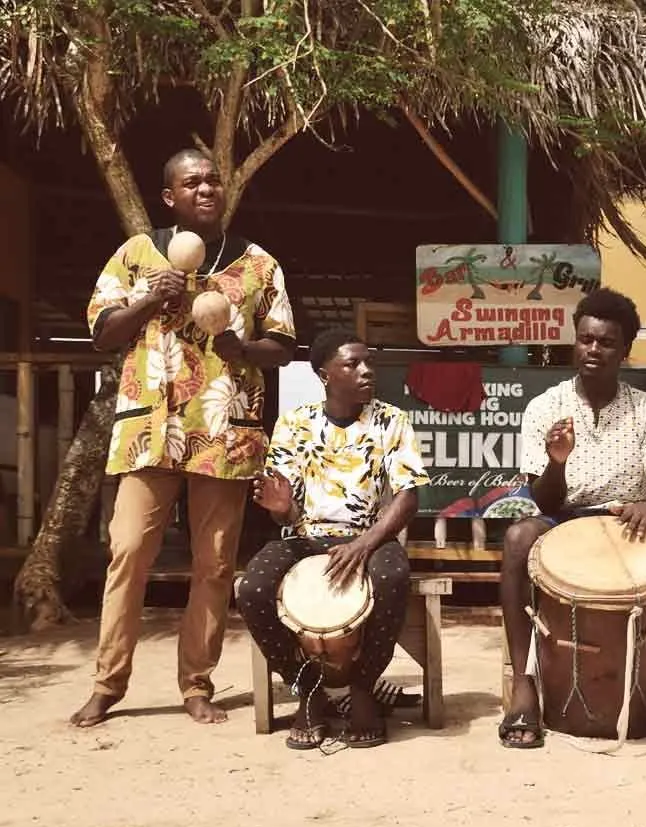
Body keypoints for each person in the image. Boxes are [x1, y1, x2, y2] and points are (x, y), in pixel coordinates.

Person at [70, 148, 294, 728]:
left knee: (215, 563)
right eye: (191, 182)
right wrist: (150, 297)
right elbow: (100, 333)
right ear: (168, 196)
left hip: (224, 430)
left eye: (213, 180)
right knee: (128, 553)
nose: (206, 188)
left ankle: (197, 684)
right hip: (150, 430)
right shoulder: (136, 255)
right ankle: (107, 684)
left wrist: (244, 350)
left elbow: (285, 344)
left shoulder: (257, 264)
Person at [497, 287, 646, 751]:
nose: (593, 349)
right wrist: (557, 461)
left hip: (629, 520)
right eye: (586, 339)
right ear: (576, 340)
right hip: (566, 520)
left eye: (606, 342)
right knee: (516, 539)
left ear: (624, 351)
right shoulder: (545, 408)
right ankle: (524, 689)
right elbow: (545, 502)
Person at [236, 330, 430, 750]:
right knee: (251, 589)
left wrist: (365, 545)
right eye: (352, 364)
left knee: (393, 578)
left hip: (371, 538)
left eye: (368, 363)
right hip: (305, 539)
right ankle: (309, 691)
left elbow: (408, 496)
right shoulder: (294, 423)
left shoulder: (391, 421)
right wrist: (281, 506)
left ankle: (362, 689)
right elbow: (286, 511)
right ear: (325, 375)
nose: (366, 371)